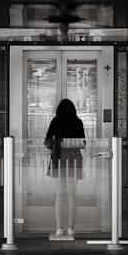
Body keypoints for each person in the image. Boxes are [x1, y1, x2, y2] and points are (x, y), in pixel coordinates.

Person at [45, 98, 86, 238]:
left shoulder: (55, 122)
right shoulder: (78, 122)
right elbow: (82, 143)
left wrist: (58, 144)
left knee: (59, 194)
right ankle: (71, 228)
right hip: (74, 158)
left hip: (58, 158)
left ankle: (59, 228)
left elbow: (47, 142)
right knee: (71, 194)